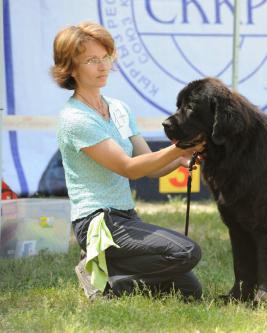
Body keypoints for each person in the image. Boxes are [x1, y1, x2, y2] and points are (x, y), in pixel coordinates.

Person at [52, 21, 205, 300]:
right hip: (97, 222)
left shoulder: (120, 109)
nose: (103, 66)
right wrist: (180, 147)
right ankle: (98, 271)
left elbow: (147, 163)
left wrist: (181, 157)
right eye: (92, 60)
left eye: (106, 57)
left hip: (125, 218)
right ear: (70, 68)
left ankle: (107, 273)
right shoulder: (75, 119)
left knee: (190, 290)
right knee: (187, 251)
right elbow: (128, 168)